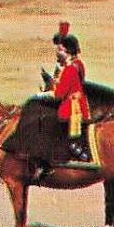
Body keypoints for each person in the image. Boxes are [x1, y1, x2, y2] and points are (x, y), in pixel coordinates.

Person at [48, 33, 92, 164]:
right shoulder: (74, 65)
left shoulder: (71, 68)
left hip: (72, 105)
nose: (58, 52)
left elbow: (60, 94)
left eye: (61, 50)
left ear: (67, 52)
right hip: (76, 102)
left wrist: (45, 95)